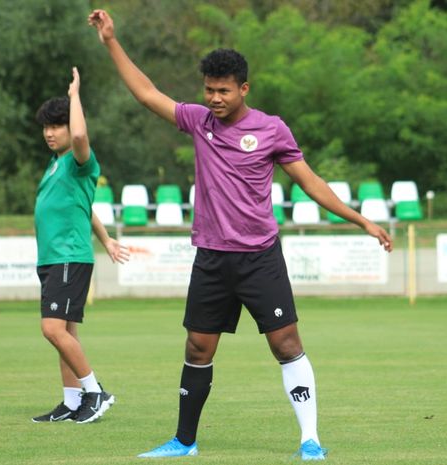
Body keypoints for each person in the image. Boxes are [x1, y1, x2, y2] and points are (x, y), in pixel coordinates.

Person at [89, 9, 393, 460]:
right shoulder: (197, 122)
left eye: (223, 91)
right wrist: (111, 40)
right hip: (211, 257)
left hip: (259, 257)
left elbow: (310, 184)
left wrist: (363, 220)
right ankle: (184, 442)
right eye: (209, 90)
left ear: (243, 89)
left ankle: (310, 440)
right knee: (196, 346)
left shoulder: (271, 129)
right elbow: (146, 93)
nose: (213, 98)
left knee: (286, 344)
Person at [32, 67, 130, 424]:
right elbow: (84, 209)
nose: (49, 133)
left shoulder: (78, 161)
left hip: (69, 257)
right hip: (53, 258)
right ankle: (72, 401)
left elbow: (79, 135)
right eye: (45, 127)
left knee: (52, 329)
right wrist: (105, 239)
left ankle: (95, 392)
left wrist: (75, 97)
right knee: (65, 333)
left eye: (55, 126)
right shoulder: (56, 164)